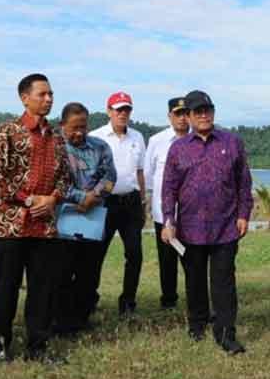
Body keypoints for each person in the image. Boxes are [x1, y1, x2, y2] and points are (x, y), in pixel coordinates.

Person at [161, 90, 253, 354]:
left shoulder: (232, 142)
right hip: (190, 228)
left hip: (226, 226)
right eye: (198, 111)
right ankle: (197, 324)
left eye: (207, 110)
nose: (203, 115)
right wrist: (168, 220)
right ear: (188, 116)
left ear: (213, 112)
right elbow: (169, 188)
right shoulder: (178, 148)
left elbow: (243, 182)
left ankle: (226, 334)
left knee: (224, 282)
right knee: (195, 280)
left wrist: (243, 214)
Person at [0, 73, 70, 363]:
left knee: (42, 290)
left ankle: (38, 347)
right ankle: (0, 345)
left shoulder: (56, 136)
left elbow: (65, 177)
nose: (48, 99)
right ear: (25, 98)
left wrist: (52, 199)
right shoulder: (8, 132)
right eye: (42, 94)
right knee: (7, 288)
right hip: (11, 226)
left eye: (51, 94)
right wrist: (28, 199)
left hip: (44, 227)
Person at [53, 102, 117, 335]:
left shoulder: (100, 147)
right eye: (74, 128)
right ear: (62, 125)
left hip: (93, 218)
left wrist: (94, 197)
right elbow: (52, 180)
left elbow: (110, 178)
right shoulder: (54, 146)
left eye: (83, 127)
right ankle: (61, 321)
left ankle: (82, 318)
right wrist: (80, 197)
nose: (79, 132)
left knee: (88, 272)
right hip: (62, 220)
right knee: (61, 272)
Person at [89, 91, 147, 318]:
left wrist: (143, 200)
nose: (123, 114)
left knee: (135, 254)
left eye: (126, 110)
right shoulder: (96, 137)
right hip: (104, 203)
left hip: (131, 201)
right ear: (109, 111)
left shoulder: (137, 137)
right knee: (96, 254)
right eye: (118, 109)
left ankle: (128, 302)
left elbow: (140, 172)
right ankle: (89, 298)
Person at [144, 97, 190, 309]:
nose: (182, 118)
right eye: (177, 114)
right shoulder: (157, 141)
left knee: (192, 260)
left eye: (185, 113)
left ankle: (196, 300)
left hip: (191, 213)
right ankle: (169, 301)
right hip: (164, 213)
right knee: (167, 260)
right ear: (169, 116)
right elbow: (149, 175)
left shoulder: (198, 139)